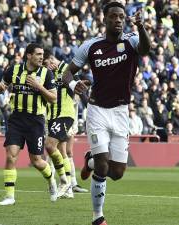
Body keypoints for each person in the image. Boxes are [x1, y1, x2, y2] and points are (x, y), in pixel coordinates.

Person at [61, 2, 150, 224]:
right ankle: (97, 217)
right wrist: (74, 86)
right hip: (97, 110)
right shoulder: (91, 46)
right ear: (105, 19)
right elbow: (67, 73)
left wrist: (141, 27)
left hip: (121, 112)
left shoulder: (132, 40)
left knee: (117, 172)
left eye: (121, 16)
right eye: (113, 16)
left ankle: (89, 161)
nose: (118, 20)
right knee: (103, 164)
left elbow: (146, 49)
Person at [0, 43, 57, 206]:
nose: (41, 57)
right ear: (28, 55)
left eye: (42, 54)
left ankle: (51, 181)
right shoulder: (13, 70)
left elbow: (53, 97)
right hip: (16, 119)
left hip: (36, 121)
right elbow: (2, 85)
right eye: (38, 54)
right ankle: (9, 196)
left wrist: (39, 87)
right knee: (10, 155)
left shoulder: (46, 73)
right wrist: (0, 87)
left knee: (37, 161)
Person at [43, 50, 76, 199]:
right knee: (62, 151)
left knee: (50, 145)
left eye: (46, 63)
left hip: (64, 114)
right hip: (52, 116)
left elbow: (78, 87)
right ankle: (68, 188)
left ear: (51, 59)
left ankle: (65, 182)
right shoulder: (47, 74)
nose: (46, 67)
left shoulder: (67, 70)